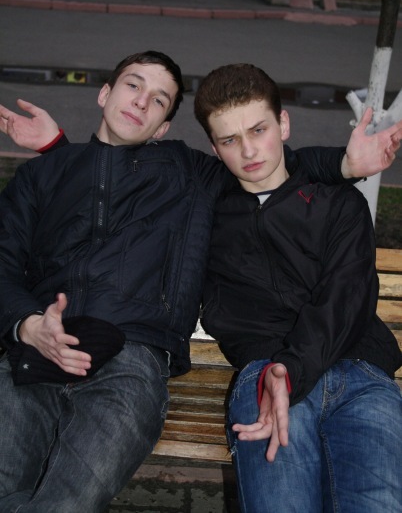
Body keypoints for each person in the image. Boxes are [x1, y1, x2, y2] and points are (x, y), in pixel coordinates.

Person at [0, 51, 401, 512]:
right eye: (133, 85)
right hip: (36, 349)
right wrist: (28, 323)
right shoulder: (40, 176)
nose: (142, 101)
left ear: (164, 127)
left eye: (159, 99)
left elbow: (276, 167)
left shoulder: (188, 174)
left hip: (134, 356)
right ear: (105, 93)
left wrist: (345, 166)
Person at [193, 63, 402, 513]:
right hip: (265, 376)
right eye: (230, 140)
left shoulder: (339, 201)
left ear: (283, 124)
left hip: (359, 374)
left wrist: (293, 368)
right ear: (214, 148)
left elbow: (346, 296)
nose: (249, 150)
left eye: (259, 130)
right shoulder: (207, 211)